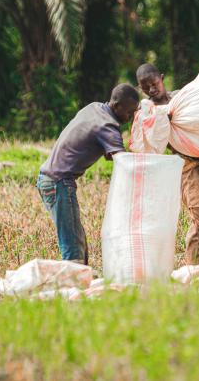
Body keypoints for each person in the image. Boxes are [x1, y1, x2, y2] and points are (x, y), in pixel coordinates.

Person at [135, 63, 199, 265]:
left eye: (154, 83)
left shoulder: (181, 98)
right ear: (140, 88)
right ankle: (195, 271)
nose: (151, 89)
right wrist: (161, 118)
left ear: (162, 78)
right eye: (144, 86)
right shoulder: (149, 110)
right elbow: (154, 140)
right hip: (188, 169)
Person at [37, 84, 140, 264]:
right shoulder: (107, 125)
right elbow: (123, 161)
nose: (130, 118)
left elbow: (109, 154)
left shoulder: (94, 108)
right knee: (73, 247)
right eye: (129, 113)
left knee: (77, 241)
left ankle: (80, 281)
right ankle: (73, 288)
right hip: (59, 183)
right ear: (116, 106)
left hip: (49, 180)